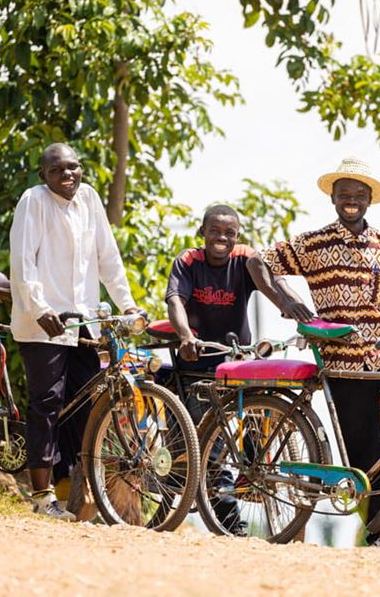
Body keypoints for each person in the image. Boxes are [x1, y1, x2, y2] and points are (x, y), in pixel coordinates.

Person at [247, 157, 380, 547]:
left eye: (359, 194)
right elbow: (258, 262)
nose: (352, 200)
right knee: (364, 454)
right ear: (334, 199)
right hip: (343, 361)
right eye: (345, 194)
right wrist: (286, 301)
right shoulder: (313, 242)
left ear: (370, 200)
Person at [10, 143, 141, 521]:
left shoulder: (89, 199)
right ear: (43, 176)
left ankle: (75, 491)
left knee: (85, 405)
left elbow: (108, 258)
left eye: (73, 168)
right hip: (44, 325)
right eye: (57, 170)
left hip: (84, 321)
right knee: (47, 403)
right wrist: (39, 309)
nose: (68, 175)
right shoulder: (32, 202)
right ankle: (41, 496)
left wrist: (127, 304)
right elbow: (22, 263)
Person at [160, 203, 304, 534]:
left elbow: (271, 284)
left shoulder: (246, 259)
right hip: (198, 362)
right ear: (202, 232)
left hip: (236, 360)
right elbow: (175, 303)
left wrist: (288, 308)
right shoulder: (188, 262)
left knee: (261, 413)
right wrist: (185, 337)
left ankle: (254, 469)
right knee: (214, 445)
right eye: (215, 231)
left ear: (237, 236)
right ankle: (232, 526)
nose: (222, 238)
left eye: (230, 233)